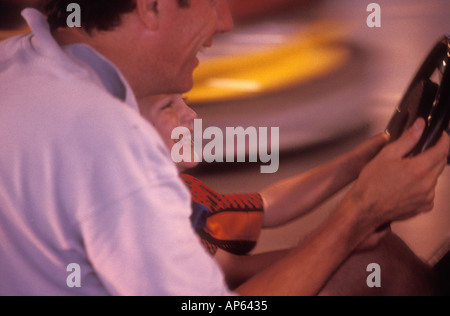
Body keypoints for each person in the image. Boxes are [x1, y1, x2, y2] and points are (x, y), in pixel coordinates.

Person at [0, 0, 448, 296]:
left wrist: (355, 183)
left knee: (372, 261)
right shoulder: (109, 139)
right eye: (212, 0)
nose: (225, 21)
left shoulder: (15, 63)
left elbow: (226, 267)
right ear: (151, 7)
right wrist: (358, 214)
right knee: (383, 271)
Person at [139, 93, 442, 295]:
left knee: (379, 254)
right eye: (168, 106)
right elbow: (231, 276)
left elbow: (267, 205)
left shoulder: (183, 193)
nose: (190, 114)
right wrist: (347, 234)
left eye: (185, 101)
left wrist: (355, 164)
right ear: (129, 129)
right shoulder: (146, 217)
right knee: (380, 263)